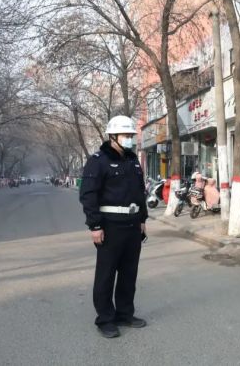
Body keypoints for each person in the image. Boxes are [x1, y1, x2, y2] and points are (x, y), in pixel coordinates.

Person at [80, 115, 149, 338]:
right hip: (109, 227)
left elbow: (140, 193)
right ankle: (105, 319)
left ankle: (125, 314)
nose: (129, 139)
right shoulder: (98, 160)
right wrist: (95, 226)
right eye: (126, 135)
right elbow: (88, 195)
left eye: (131, 135)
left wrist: (142, 220)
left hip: (132, 225)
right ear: (113, 136)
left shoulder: (132, 160)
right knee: (106, 275)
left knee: (129, 274)